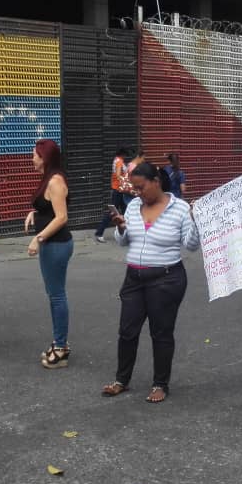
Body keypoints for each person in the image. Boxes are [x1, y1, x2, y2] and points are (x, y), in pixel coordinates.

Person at [100, 162, 200, 403]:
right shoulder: (134, 206)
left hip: (166, 279)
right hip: (134, 278)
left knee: (161, 333)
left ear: (156, 182)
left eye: (141, 187)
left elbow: (191, 245)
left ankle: (160, 384)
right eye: (134, 188)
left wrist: (196, 221)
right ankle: (121, 380)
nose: (137, 193)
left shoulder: (180, 208)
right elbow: (123, 241)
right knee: (127, 331)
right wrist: (121, 228)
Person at [25, 139, 74, 369]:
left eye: (35, 154)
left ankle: (61, 348)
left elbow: (61, 217)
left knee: (57, 296)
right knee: (54, 294)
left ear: (44, 157)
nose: (32, 158)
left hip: (56, 245)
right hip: (52, 245)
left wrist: (39, 237)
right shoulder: (49, 179)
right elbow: (48, 208)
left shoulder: (55, 181)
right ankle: (59, 343)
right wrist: (35, 213)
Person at [94, 146, 130, 243]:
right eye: (125, 154)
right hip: (118, 190)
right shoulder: (119, 161)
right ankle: (99, 232)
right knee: (113, 212)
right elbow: (118, 175)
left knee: (126, 211)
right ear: (123, 154)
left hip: (118, 190)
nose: (126, 156)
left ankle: (127, 233)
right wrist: (126, 181)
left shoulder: (116, 160)